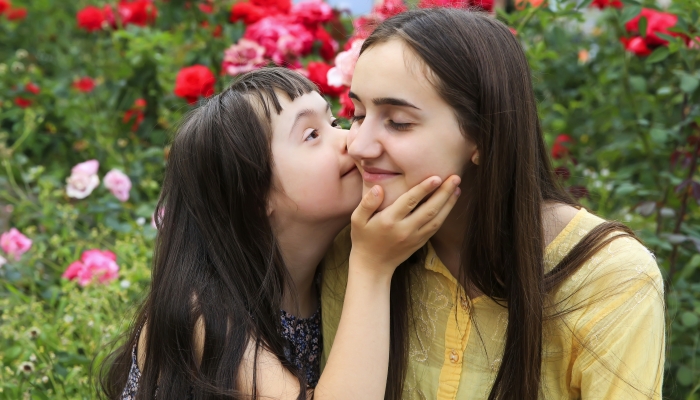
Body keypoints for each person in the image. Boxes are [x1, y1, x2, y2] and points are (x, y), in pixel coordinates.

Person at [320, 8, 665, 400]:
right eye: (357, 114)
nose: (359, 145)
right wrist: (369, 269)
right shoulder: (356, 246)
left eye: (398, 121)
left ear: (484, 136)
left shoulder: (609, 277)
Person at [99, 67, 461, 399]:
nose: (351, 140)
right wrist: (373, 267)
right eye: (313, 135)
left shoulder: (333, 264)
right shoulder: (206, 312)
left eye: (335, 122)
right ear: (254, 196)